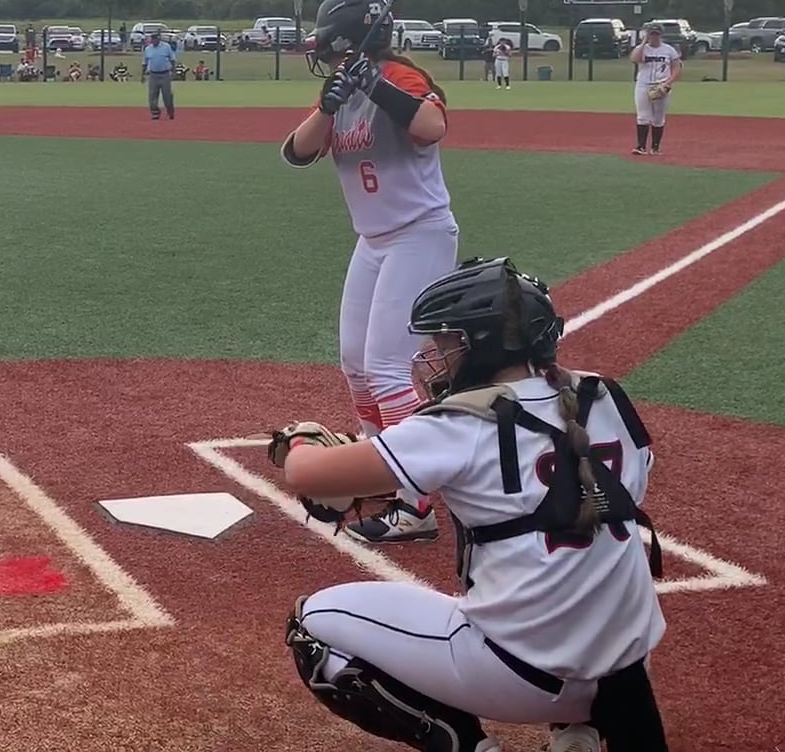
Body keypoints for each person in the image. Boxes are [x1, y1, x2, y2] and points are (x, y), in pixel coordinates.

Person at [270, 257, 669, 752]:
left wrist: (301, 441)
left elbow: (304, 474)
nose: (436, 356)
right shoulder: (605, 396)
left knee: (312, 627)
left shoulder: (459, 423)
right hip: (628, 673)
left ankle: (471, 746)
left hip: (524, 674)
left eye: (446, 343)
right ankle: (578, 732)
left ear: (483, 344)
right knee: (579, 555)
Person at [281, 0, 458, 544]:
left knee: (386, 367)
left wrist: (375, 84)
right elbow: (296, 152)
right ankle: (381, 463)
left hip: (419, 234)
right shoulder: (341, 87)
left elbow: (432, 127)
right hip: (374, 240)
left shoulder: (401, 77)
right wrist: (330, 104)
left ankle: (416, 503)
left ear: (348, 40)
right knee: (356, 363)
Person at [630, 26, 682, 156]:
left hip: (662, 85)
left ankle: (655, 148)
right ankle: (641, 147)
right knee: (642, 116)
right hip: (643, 85)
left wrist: (668, 83)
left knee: (658, 118)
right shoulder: (642, 49)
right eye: (651, 34)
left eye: (656, 34)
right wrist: (643, 42)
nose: (654, 37)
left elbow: (676, 68)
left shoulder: (669, 50)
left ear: (661, 35)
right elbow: (634, 59)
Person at [142, 30, 180, 119]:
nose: (154, 41)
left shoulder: (166, 47)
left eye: (156, 39)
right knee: (152, 95)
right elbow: (144, 63)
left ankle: (170, 111)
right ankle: (155, 112)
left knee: (167, 95)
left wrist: (173, 71)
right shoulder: (148, 49)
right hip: (153, 75)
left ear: (159, 39)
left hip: (165, 74)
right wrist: (142, 75)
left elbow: (172, 60)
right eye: (152, 39)